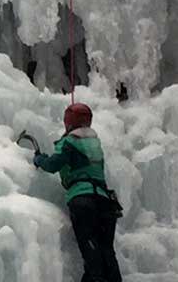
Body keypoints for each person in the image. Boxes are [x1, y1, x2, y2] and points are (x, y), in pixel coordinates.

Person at [30, 103, 123, 282]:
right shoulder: (95, 143)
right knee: (107, 252)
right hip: (105, 201)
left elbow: (53, 165)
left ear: (68, 122)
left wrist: (39, 159)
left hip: (82, 200)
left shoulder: (69, 142)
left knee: (91, 251)